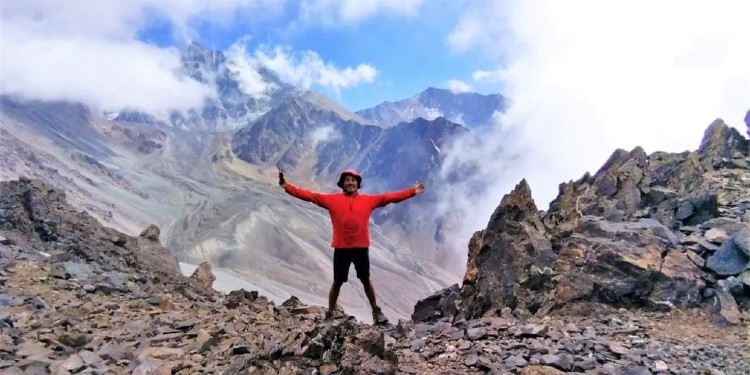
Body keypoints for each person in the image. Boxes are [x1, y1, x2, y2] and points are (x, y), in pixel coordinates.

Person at [279, 168, 425, 324]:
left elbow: (389, 198)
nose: (350, 182)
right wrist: (286, 186)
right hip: (341, 249)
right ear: (342, 184)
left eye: (353, 180)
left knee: (366, 281)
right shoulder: (331, 200)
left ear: (358, 184)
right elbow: (310, 196)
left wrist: (411, 191)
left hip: (361, 249)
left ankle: (376, 311)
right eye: (347, 180)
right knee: (337, 282)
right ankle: (331, 311)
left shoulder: (368, 200)